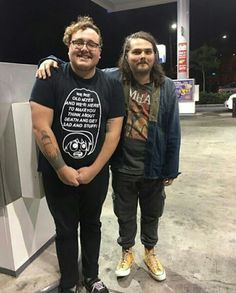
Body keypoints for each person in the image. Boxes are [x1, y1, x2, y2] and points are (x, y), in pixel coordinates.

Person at [36, 31, 181, 283]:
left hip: (154, 166)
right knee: (124, 214)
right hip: (123, 164)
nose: (142, 56)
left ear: (155, 56)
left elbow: (173, 130)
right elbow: (82, 63)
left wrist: (170, 167)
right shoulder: (114, 78)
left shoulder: (166, 86)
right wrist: (48, 60)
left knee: (152, 213)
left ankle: (149, 252)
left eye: (147, 51)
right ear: (127, 56)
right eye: (136, 51)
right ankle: (127, 251)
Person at [30, 16, 125, 293]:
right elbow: (40, 127)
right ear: (68, 46)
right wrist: (61, 168)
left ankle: (92, 278)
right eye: (78, 42)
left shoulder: (111, 84)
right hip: (57, 172)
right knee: (66, 230)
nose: (85, 48)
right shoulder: (50, 77)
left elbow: (113, 131)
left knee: (92, 225)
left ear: (100, 51)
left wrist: (94, 169)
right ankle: (69, 281)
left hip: (95, 173)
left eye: (91, 44)